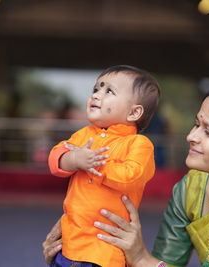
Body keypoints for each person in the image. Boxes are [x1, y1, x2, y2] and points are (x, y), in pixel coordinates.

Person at [43, 82, 209, 267]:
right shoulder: (192, 188)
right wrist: (86, 248)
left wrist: (140, 257)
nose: (191, 136)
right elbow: (166, 263)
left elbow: (150, 263)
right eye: (196, 124)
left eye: (208, 132)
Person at [47, 65, 160, 267]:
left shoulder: (139, 144)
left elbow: (131, 175)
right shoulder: (84, 135)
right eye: (96, 89)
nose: (97, 95)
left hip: (105, 250)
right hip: (70, 242)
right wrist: (73, 159)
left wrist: (94, 164)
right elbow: (56, 157)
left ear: (134, 112)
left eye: (109, 91)